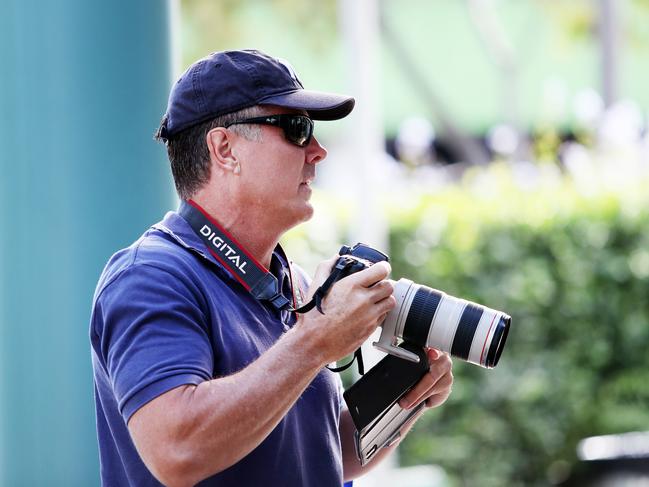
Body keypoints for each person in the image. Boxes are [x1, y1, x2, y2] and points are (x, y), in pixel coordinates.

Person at [90, 49, 453, 487]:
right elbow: (177, 449)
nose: (318, 151)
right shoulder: (148, 277)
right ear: (224, 149)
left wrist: (404, 395)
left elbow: (322, 449)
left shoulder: (292, 282)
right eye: (296, 129)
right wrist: (316, 339)